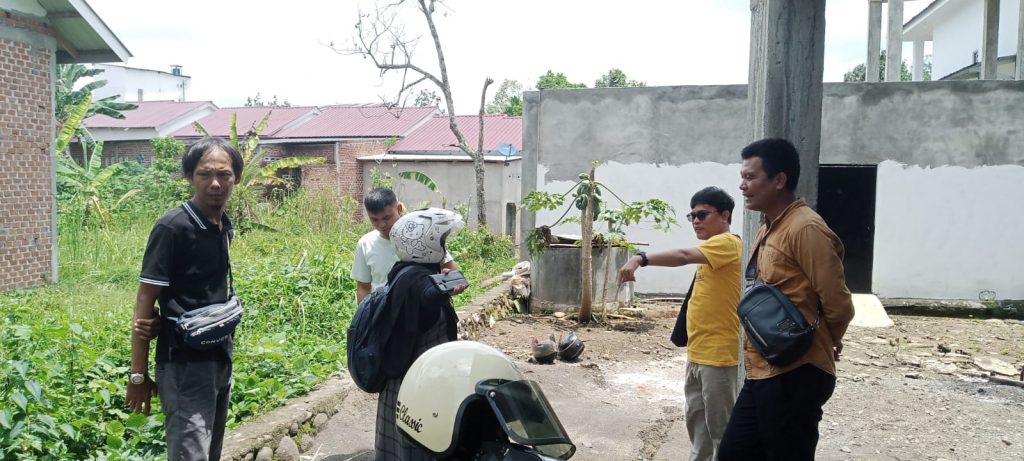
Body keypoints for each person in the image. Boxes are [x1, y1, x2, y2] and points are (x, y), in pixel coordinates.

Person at [719, 138, 855, 461]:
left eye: (750, 177)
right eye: (742, 177)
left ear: (779, 180)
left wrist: (825, 340)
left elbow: (840, 304)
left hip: (797, 372)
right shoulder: (769, 229)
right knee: (733, 454)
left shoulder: (805, 228)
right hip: (765, 369)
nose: (742, 185)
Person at [124, 137, 244, 460]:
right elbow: (144, 301)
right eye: (205, 174)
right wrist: (138, 374)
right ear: (190, 177)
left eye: (224, 174)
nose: (216, 183)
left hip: (219, 358)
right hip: (184, 365)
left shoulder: (223, 224)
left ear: (237, 178)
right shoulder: (172, 228)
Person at [617, 186, 742, 461]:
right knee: (699, 433)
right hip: (698, 353)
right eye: (692, 215)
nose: (696, 220)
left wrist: (641, 258)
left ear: (725, 215)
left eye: (702, 214)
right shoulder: (711, 252)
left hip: (719, 357)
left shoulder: (728, 244)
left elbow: (683, 256)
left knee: (722, 434)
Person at [374, 208, 465, 460]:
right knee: (415, 445)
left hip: (399, 377)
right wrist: (441, 290)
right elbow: (427, 296)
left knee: (395, 447)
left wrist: (442, 283)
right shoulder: (422, 283)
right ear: (426, 245)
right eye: (441, 241)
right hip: (415, 384)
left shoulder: (403, 272)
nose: (444, 247)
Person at [351, 187, 464, 303]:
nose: (381, 224)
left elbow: (452, 271)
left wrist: (449, 281)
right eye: (374, 220)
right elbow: (363, 287)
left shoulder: (421, 236)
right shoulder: (365, 244)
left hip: (425, 311)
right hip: (386, 315)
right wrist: (365, 317)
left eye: (386, 217)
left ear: (399, 209)